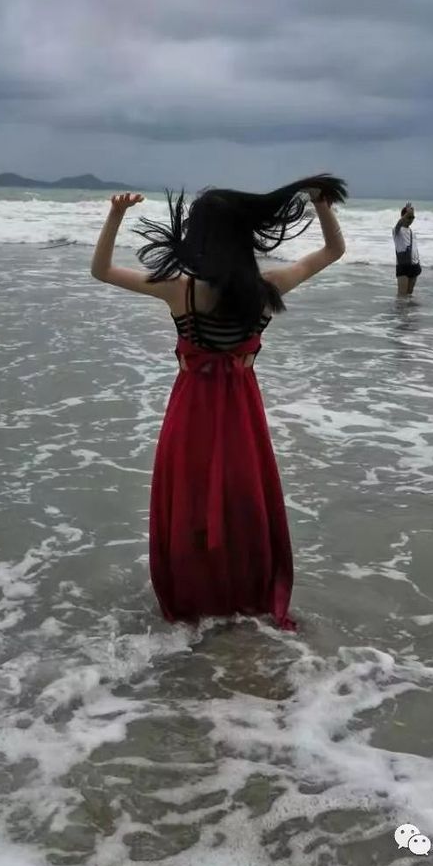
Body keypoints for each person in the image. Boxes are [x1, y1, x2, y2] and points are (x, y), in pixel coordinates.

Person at [90, 173, 347, 630]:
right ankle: (243, 596)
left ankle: (195, 598)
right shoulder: (269, 287)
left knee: (190, 501)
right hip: (242, 413)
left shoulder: (179, 289)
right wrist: (320, 203)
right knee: (242, 501)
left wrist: (115, 215)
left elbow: (102, 271)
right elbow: (333, 251)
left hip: (190, 410)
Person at [393, 203, 421, 296]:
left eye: (413, 217)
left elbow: (415, 249)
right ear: (403, 216)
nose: (411, 220)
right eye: (409, 217)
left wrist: (418, 262)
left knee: (409, 294)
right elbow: (399, 224)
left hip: (414, 266)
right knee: (402, 295)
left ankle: (408, 307)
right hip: (403, 265)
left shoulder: (412, 232)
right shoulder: (397, 230)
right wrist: (407, 214)